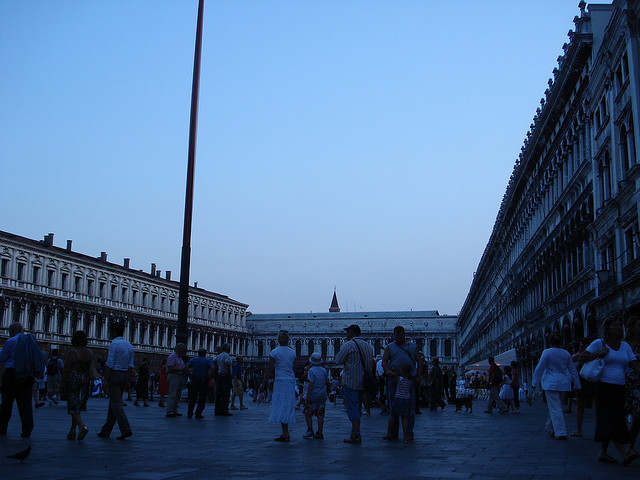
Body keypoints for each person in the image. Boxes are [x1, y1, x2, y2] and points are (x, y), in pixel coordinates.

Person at [578, 315, 640, 464]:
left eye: (619, 325)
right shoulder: (599, 343)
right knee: (611, 419)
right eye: (614, 325)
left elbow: (634, 364)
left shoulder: (624, 346)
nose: (618, 328)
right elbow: (581, 357)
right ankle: (624, 453)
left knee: (616, 418)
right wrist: (598, 354)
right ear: (607, 328)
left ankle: (603, 452)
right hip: (604, 386)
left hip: (620, 387)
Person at [0, 322, 45, 438]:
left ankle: (2, 428)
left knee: (6, 403)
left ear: (13, 331)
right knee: (25, 404)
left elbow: (2, 358)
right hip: (27, 375)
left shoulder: (10, 341)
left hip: (12, 374)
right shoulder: (30, 341)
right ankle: (27, 429)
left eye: (10, 331)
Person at [532, 333, 581, 440]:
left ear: (549, 342)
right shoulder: (566, 353)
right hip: (564, 383)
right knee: (556, 406)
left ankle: (561, 432)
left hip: (551, 383)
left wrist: (534, 384)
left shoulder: (547, 352)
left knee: (555, 408)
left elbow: (539, 368)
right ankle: (550, 428)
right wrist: (577, 384)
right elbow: (572, 369)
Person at [334, 324, 375, 444]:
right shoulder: (368, 345)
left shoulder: (349, 345)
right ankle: (354, 432)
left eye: (347, 332)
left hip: (351, 381)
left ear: (352, 332)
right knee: (358, 407)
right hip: (364, 383)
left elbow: (338, 360)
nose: (346, 334)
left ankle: (356, 434)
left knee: (352, 408)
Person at [381, 325, 422, 439]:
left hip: (410, 380)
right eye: (396, 335)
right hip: (394, 379)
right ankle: (393, 433)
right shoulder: (390, 347)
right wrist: (388, 371)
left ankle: (408, 433)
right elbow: (384, 362)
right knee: (393, 406)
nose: (398, 338)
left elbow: (419, 361)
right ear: (394, 335)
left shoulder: (412, 347)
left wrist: (418, 375)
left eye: (400, 335)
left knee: (410, 407)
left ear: (404, 334)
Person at [97, 322, 134, 440]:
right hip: (124, 375)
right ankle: (106, 430)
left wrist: (105, 380)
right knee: (113, 403)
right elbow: (130, 365)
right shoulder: (129, 345)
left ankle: (126, 429)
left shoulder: (114, 344)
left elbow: (109, 364)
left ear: (113, 332)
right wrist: (128, 381)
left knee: (116, 403)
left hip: (115, 375)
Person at [260, 330, 297, 441]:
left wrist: (263, 383)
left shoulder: (274, 352)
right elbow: (294, 368)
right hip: (290, 381)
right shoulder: (292, 352)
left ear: (278, 340)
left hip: (280, 381)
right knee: (287, 405)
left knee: (280, 405)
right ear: (288, 340)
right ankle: (285, 432)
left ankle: (285, 433)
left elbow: (269, 369)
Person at [62, 330, 97, 441]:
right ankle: (72, 431)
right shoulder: (90, 352)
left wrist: (62, 383)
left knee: (73, 404)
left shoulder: (72, 352)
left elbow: (66, 369)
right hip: (85, 380)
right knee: (78, 406)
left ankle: (82, 427)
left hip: (74, 379)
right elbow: (95, 366)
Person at [571, 337, 596, 437]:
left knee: (580, 408)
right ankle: (601, 428)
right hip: (594, 380)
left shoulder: (581, 355)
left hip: (582, 381)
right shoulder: (596, 353)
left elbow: (572, 359)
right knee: (596, 405)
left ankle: (579, 430)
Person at [624, 315, 640, 460]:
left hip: (639, 383)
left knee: (638, 416)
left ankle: (630, 446)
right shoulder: (625, 344)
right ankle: (625, 446)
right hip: (628, 384)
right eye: (638, 325)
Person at [302, 352, 328, 439]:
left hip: (314, 395)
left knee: (308, 413)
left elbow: (311, 384)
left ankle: (310, 430)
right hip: (322, 395)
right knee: (320, 414)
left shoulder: (311, 371)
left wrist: (307, 397)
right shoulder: (324, 370)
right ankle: (320, 432)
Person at [386, 363, 414, 442]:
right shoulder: (410, 381)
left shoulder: (399, 379)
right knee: (404, 418)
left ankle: (389, 432)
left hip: (398, 399)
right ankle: (405, 435)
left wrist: (392, 371)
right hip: (406, 400)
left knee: (393, 416)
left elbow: (390, 375)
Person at [186, 348, 214, 418]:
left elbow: (186, 367)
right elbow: (212, 368)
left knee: (193, 397)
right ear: (205, 354)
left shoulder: (193, 360)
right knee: (202, 397)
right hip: (203, 379)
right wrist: (209, 376)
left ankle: (190, 412)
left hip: (195, 379)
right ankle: (198, 413)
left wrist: (190, 375)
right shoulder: (207, 360)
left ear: (198, 353)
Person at [165, 343, 187, 417]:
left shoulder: (179, 357)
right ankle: (169, 411)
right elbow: (170, 367)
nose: (183, 350)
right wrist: (181, 369)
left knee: (177, 395)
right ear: (177, 348)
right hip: (174, 375)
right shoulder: (172, 356)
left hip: (179, 376)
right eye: (181, 349)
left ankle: (174, 410)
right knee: (173, 394)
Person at [214, 343, 233, 416]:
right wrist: (229, 374)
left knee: (219, 394)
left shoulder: (219, 355)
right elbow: (227, 363)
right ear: (227, 349)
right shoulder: (226, 355)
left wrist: (217, 368)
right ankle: (224, 410)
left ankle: (217, 410)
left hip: (219, 376)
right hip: (225, 376)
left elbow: (214, 361)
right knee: (225, 394)